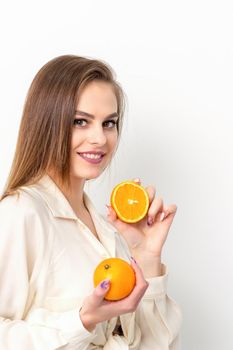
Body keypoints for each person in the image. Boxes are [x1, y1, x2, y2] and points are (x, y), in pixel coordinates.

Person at [0, 54, 182, 349]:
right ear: (47, 124)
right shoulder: (20, 213)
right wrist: (82, 321)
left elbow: (156, 344)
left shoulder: (107, 232)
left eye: (109, 123)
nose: (100, 138)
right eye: (80, 121)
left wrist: (146, 257)